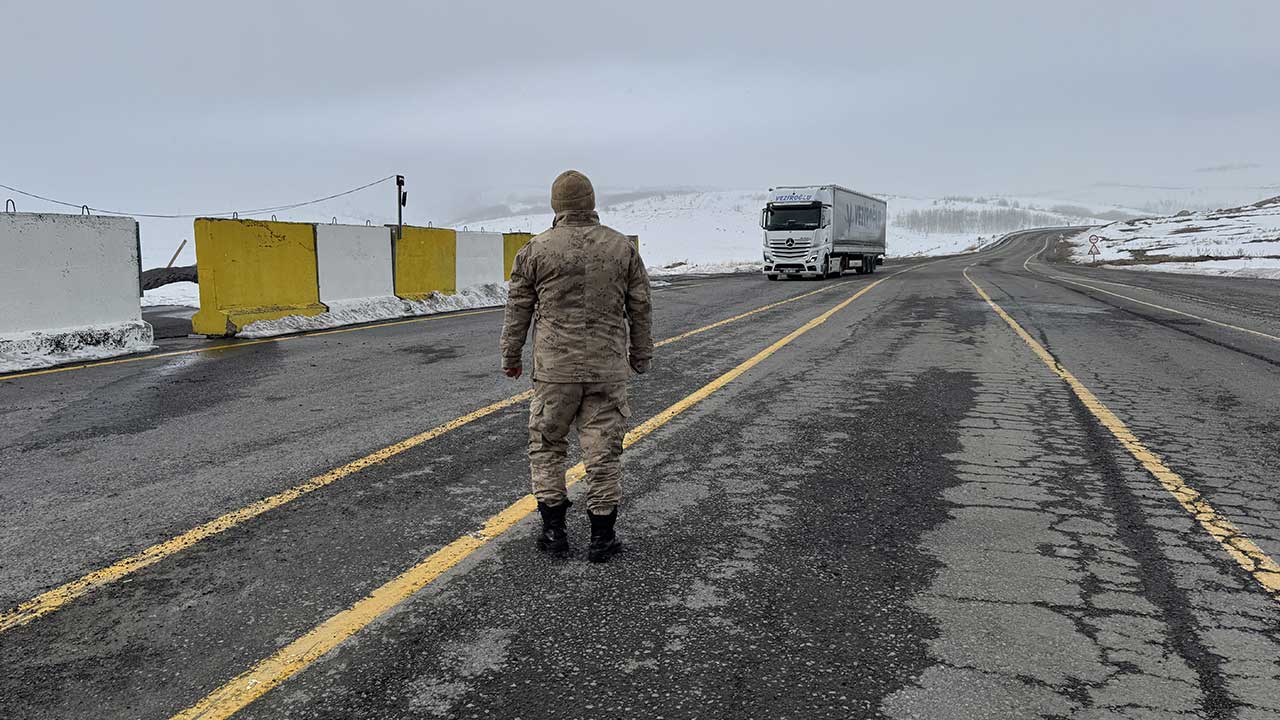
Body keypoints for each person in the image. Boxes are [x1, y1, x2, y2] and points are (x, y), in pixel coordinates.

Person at [500, 170, 653, 563]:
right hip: (606, 367)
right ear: (591, 201)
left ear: (556, 205)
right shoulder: (621, 248)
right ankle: (602, 536)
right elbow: (640, 306)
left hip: (555, 371)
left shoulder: (535, 250)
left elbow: (518, 309)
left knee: (547, 445)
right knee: (603, 450)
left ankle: (554, 532)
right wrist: (640, 354)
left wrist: (511, 356)